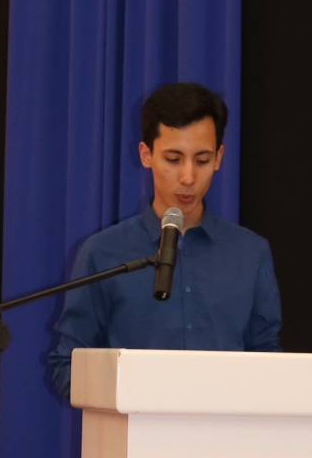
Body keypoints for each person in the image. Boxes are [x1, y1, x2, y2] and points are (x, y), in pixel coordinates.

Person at [46, 81, 281, 401]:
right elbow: (67, 367)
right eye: (173, 159)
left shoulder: (251, 253)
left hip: (226, 429)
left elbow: (269, 362)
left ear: (219, 157)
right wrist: (133, 396)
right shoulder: (102, 253)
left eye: (202, 160)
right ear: (146, 155)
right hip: (134, 429)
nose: (188, 177)